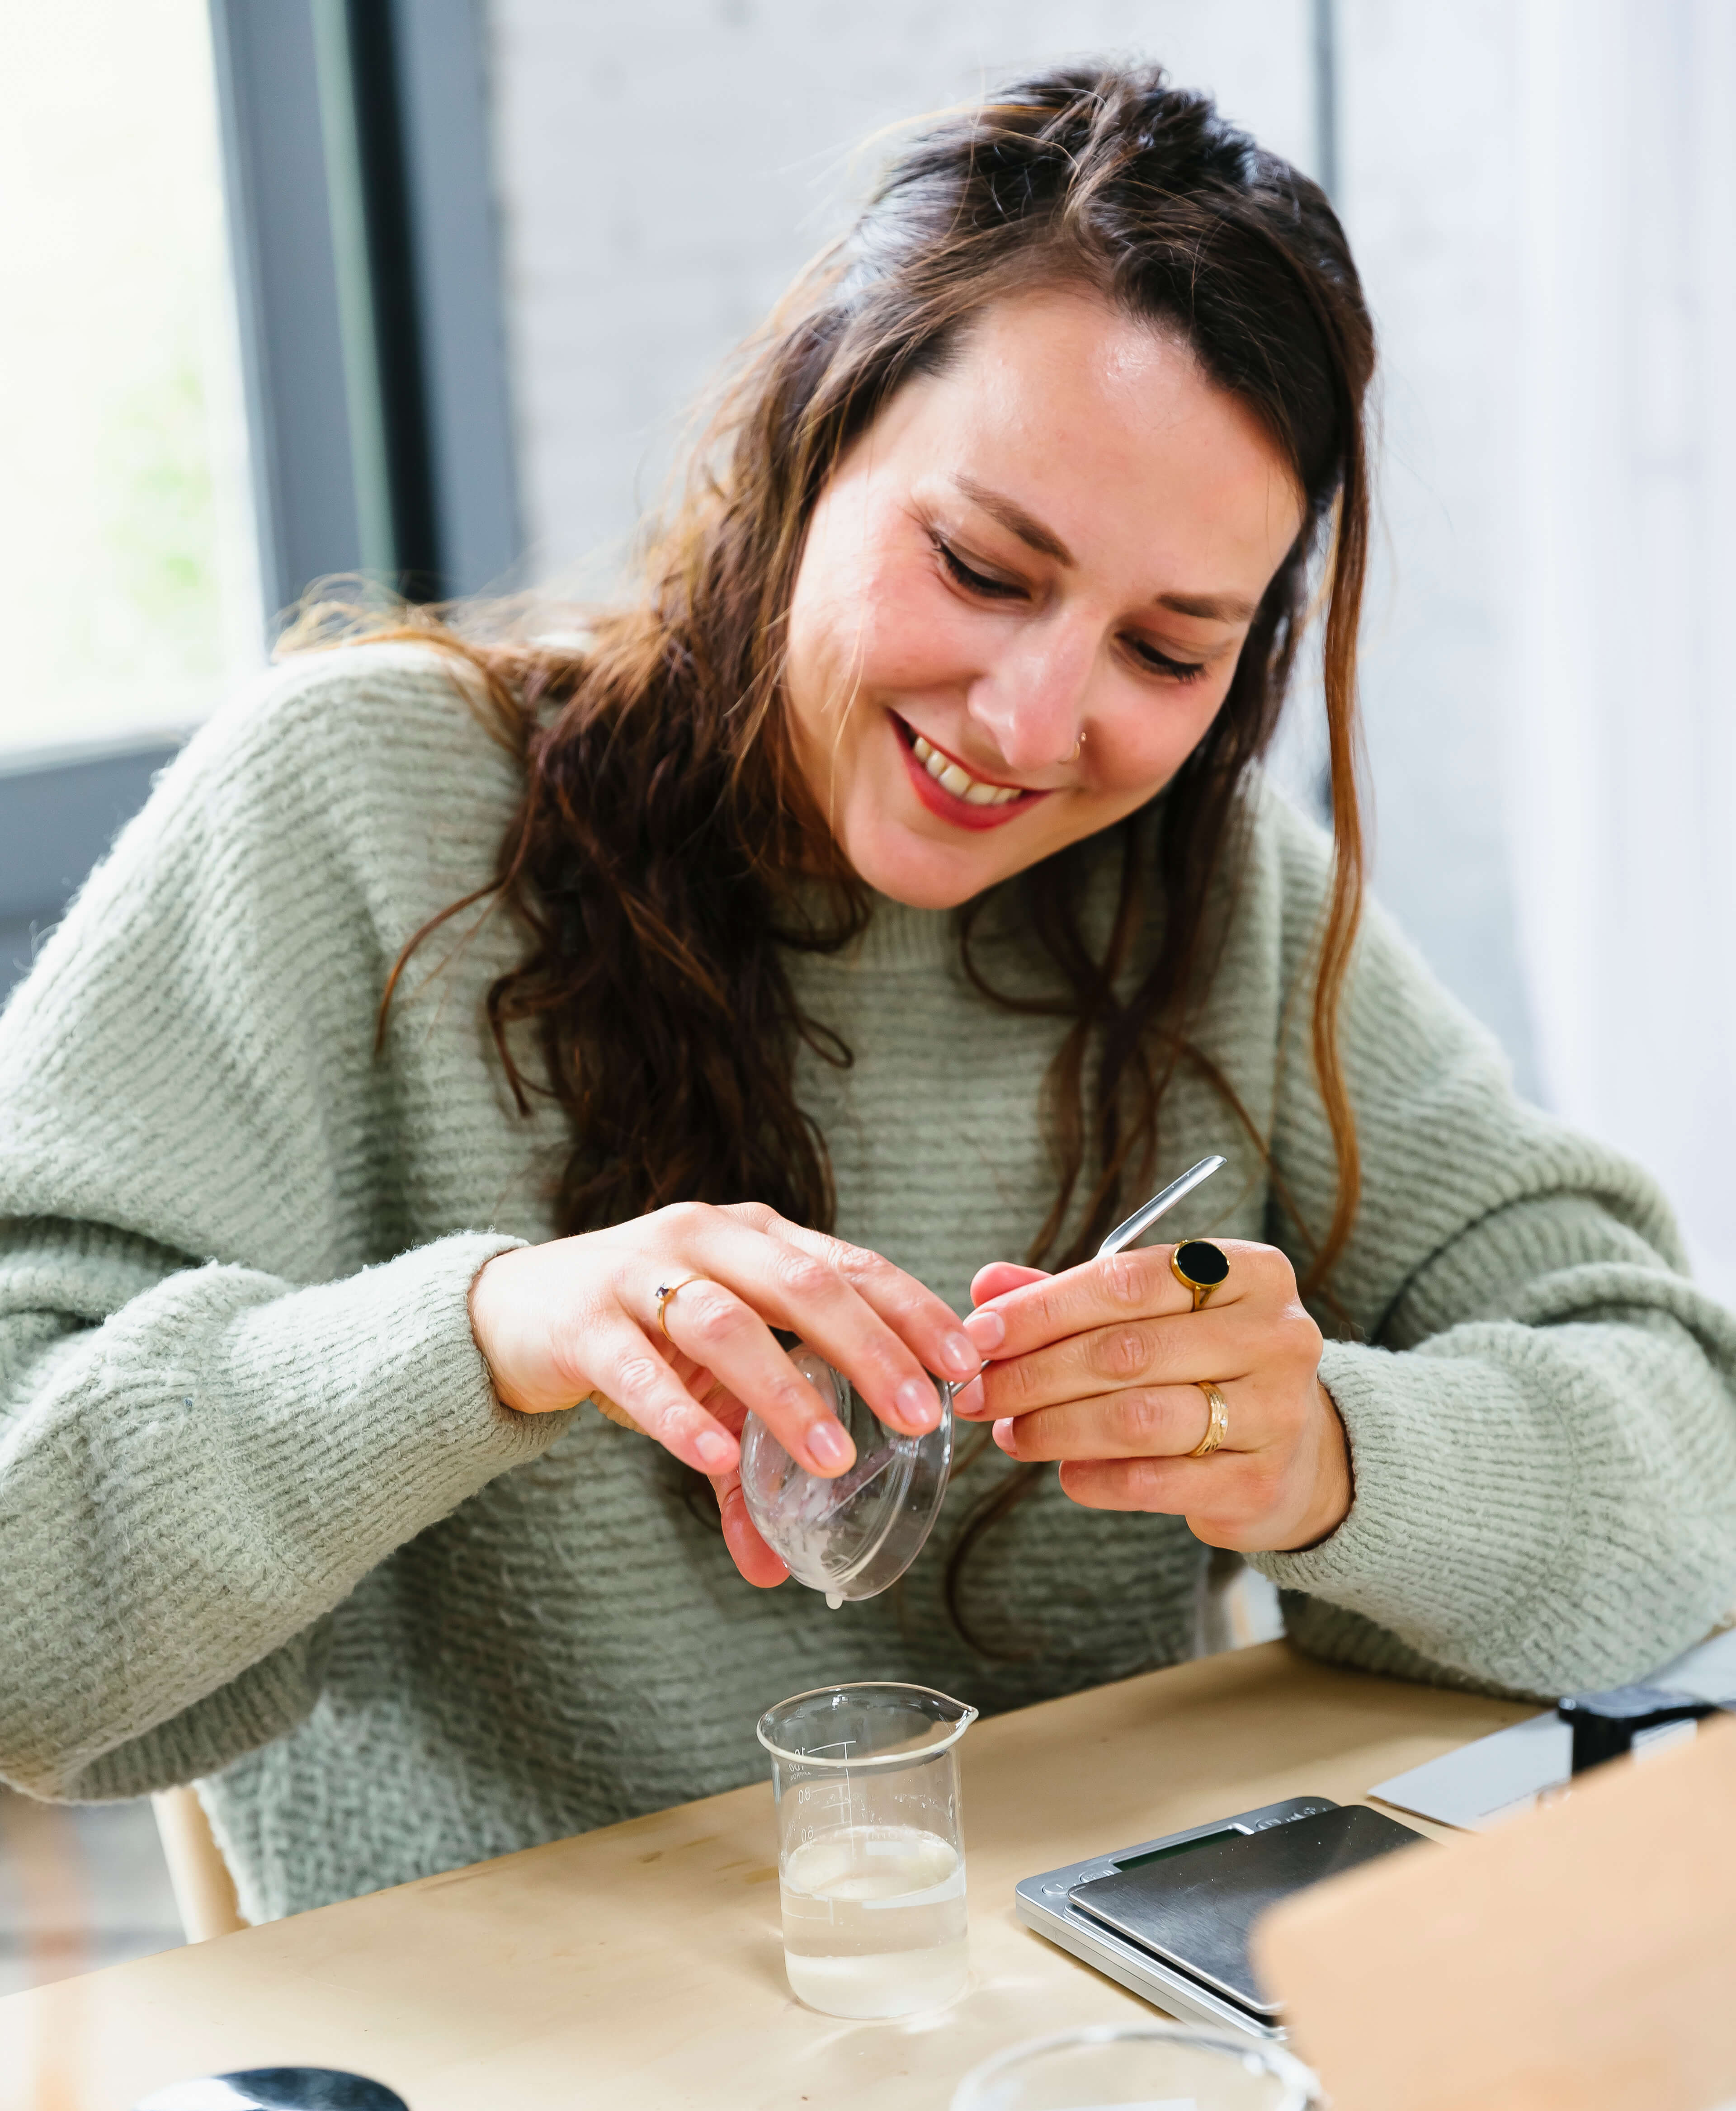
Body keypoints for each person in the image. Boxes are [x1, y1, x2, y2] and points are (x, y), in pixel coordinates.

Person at [2, 67, 1732, 1924]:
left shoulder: (1207, 900)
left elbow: (1685, 1445)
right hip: (531, 2092)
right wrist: (492, 1335)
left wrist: (1328, 1456)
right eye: (983, 568)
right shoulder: (356, 809)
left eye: (1168, 650)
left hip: (1063, 2081)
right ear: (807, 444)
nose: (1034, 724)